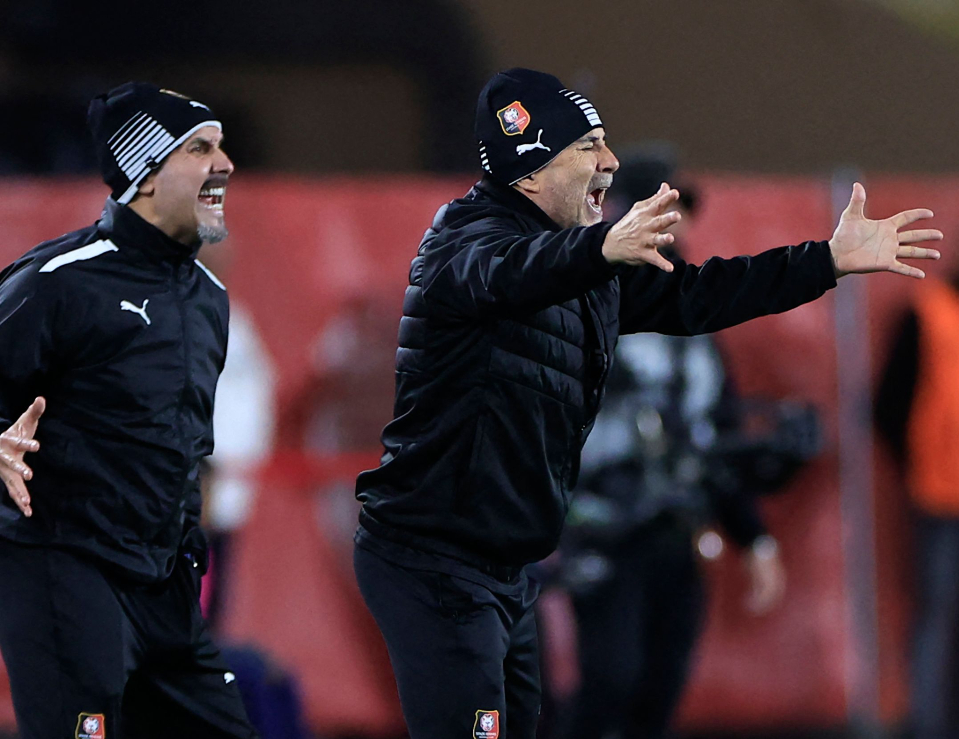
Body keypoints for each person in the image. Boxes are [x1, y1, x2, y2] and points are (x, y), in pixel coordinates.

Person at [351, 67, 942, 739]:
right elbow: (501, 276)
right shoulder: (463, 241)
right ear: (533, 166)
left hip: (506, 569)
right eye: (589, 146)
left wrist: (825, 261)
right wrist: (601, 248)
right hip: (434, 562)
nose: (610, 161)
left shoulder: (587, 267)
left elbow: (701, 295)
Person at [0, 82, 256, 739]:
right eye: (201, 148)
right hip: (60, 564)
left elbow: (182, 444)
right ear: (148, 173)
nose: (226, 164)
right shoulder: (58, 279)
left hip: (161, 581)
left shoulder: (210, 300)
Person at [560, 155, 800, 739]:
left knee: (660, 686)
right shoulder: (580, 296)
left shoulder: (694, 312)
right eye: (665, 207)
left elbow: (714, 436)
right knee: (610, 680)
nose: (679, 225)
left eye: (682, 210)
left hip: (676, 529)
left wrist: (753, 536)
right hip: (602, 528)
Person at [876, 267, 959, 739]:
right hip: (939, 497)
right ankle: (927, 725)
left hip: (938, 490)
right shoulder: (927, 312)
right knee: (935, 615)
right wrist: (921, 460)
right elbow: (888, 404)